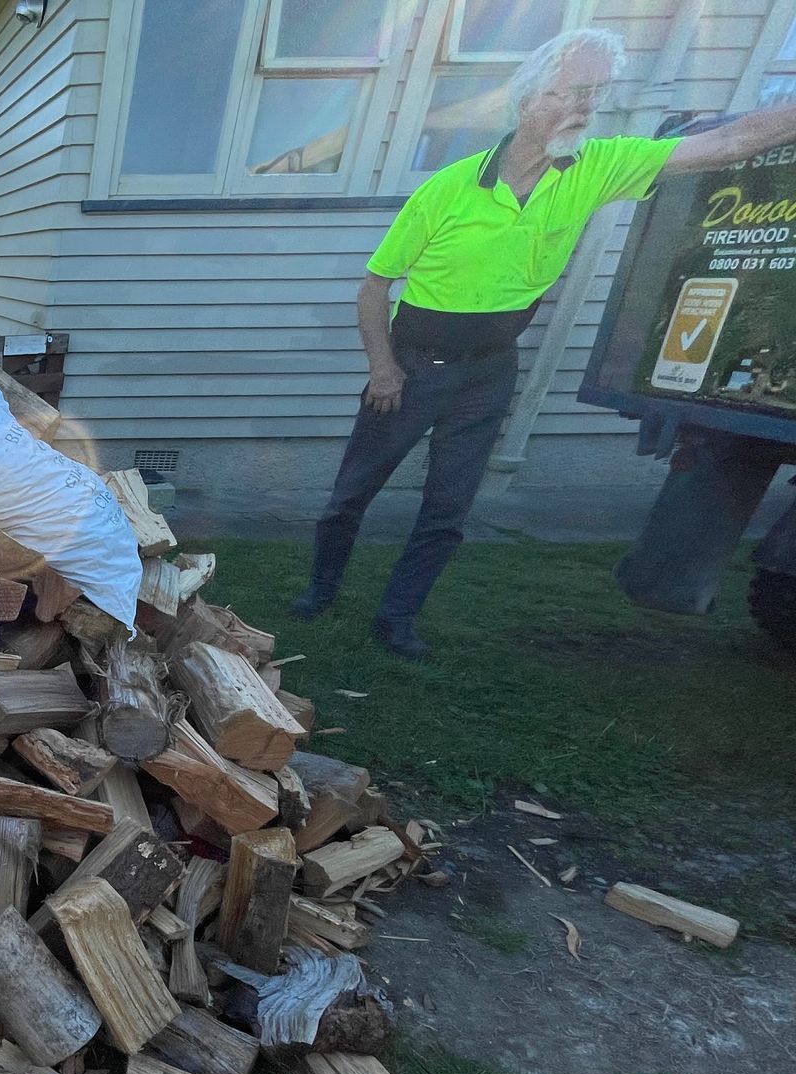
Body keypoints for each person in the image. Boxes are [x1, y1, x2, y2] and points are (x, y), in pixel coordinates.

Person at [294, 27, 796, 659]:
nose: (584, 109)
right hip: (412, 368)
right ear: (527, 101)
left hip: (490, 373)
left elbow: (728, 141)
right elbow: (375, 289)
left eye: (592, 96)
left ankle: (398, 617)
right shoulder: (447, 189)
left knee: (448, 510)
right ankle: (319, 590)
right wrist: (384, 369)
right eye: (568, 94)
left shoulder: (596, 168)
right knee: (349, 496)